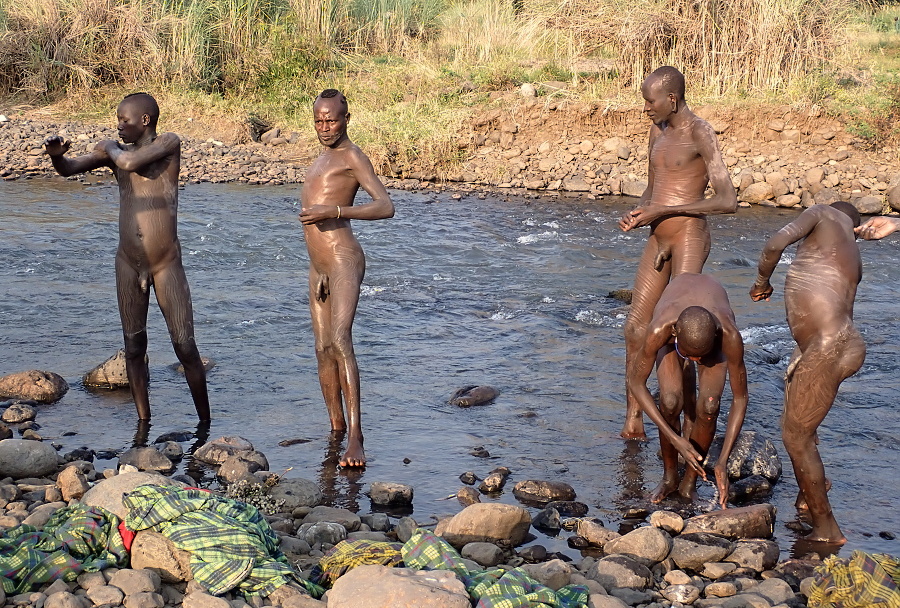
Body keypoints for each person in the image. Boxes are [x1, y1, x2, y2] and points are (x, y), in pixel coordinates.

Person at [42, 93, 210, 421]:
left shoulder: (168, 144)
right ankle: (143, 422)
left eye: (125, 120)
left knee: (185, 347)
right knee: (134, 347)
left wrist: (109, 148)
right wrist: (56, 157)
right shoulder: (115, 153)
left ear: (145, 121)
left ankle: (205, 422)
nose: (119, 125)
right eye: (117, 120)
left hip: (165, 264)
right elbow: (68, 170)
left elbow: (130, 163)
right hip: (127, 263)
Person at [619, 66, 738, 439]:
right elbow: (653, 189)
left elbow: (727, 200)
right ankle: (634, 419)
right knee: (635, 328)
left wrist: (664, 212)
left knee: (682, 332)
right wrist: (640, 213)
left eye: (649, 101)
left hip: (688, 237)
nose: (645, 109)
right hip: (657, 237)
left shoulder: (699, 131)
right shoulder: (656, 130)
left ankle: (687, 416)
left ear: (671, 99)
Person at [750, 201, 865, 544]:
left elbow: (774, 243)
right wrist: (802, 353)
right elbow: (830, 307)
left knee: (795, 437)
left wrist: (761, 281)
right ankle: (809, 494)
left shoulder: (823, 213)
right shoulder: (848, 252)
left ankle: (827, 529)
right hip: (829, 344)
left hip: (829, 347)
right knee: (797, 423)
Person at [299, 89, 395, 468]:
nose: (325, 127)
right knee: (322, 348)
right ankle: (335, 428)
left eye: (332, 120)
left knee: (340, 340)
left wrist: (336, 210)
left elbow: (386, 206)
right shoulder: (322, 157)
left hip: (343, 259)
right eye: (319, 120)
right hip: (318, 267)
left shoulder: (352, 156)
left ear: (346, 118)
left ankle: (356, 438)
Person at [628, 273, 748, 507]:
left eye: (700, 357)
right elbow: (636, 383)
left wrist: (723, 460)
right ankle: (670, 478)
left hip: (709, 318)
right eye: (688, 355)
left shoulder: (729, 335)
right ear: (674, 334)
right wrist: (675, 439)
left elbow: (740, 398)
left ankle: (689, 485)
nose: (694, 360)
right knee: (671, 401)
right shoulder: (661, 329)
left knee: (710, 406)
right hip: (677, 312)